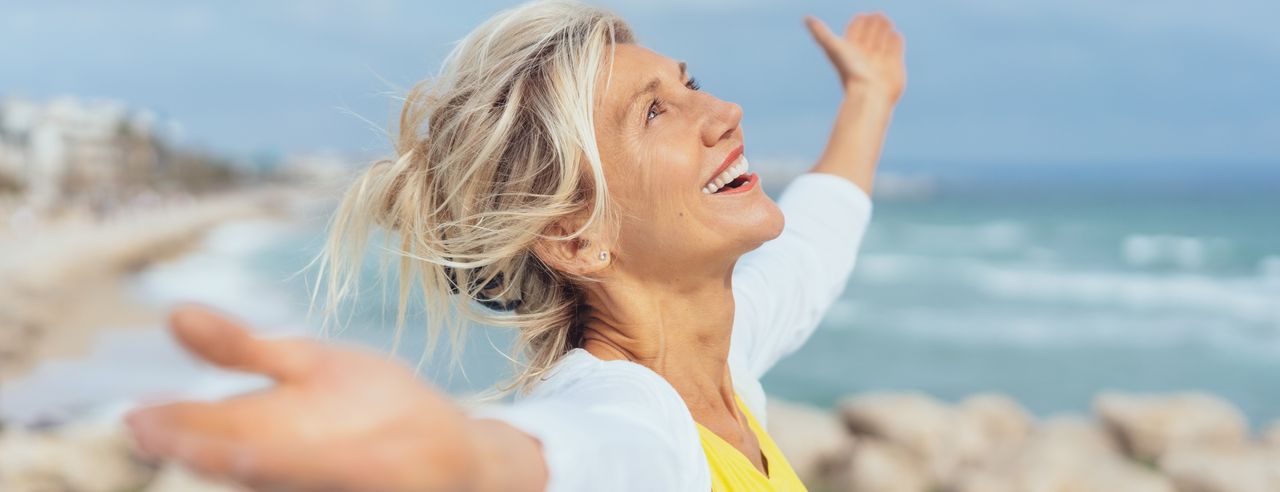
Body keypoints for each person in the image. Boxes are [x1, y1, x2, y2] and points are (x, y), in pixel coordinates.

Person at [125, 1, 906, 490]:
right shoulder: (633, 416)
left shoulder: (719, 362)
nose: (725, 109)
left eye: (689, 82)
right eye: (654, 113)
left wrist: (868, 98)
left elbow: (816, 239)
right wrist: (453, 459)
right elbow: (576, 455)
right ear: (575, 236)